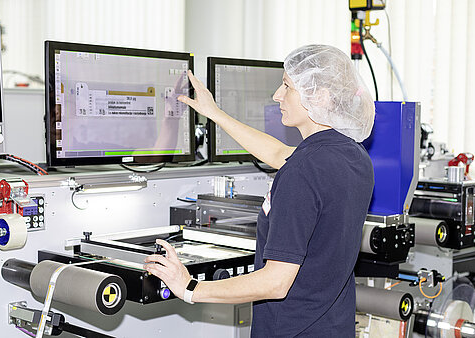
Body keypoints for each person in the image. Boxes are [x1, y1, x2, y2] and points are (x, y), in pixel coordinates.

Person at [144, 44, 376, 337]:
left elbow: (275, 283)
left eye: (287, 86)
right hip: (333, 327)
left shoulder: (301, 172)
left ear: (319, 96)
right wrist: (214, 113)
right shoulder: (354, 157)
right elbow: (279, 153)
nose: (277, 95)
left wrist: (190, 288)